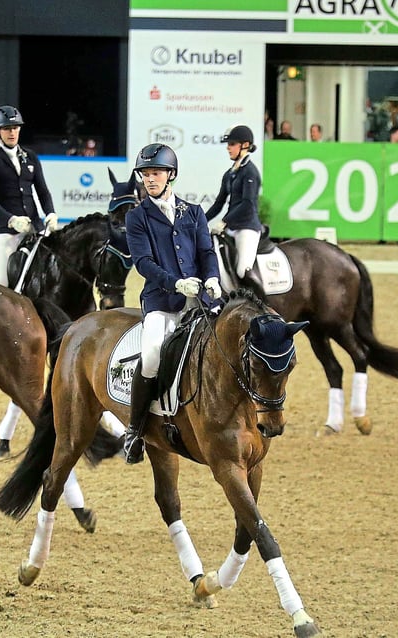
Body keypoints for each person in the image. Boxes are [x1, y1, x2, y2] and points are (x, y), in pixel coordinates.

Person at [121, 143, 221, 464]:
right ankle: (135, 430)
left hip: (199, 300)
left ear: (170, 175)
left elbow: (206, 252)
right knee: (151, 357)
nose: (150, 180)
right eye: (145, 174)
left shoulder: (193, 212)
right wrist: (175, 282)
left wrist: (213, 278)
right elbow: (143, 262)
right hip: (161, 300)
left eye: (156, 173)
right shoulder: (137, 217)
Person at [0, 104, 58, 287]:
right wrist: (11, 220)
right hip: (4, 232)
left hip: (35, 229)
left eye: (15, 128)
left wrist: (50, 213)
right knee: (2, 284)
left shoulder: (30, 157)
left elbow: (43, 191)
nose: (12, 132)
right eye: (6, 129)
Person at [204, 124, 266, 299]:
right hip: (231, 227)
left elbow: (247, 204)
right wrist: (200, 220)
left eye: (232, 144)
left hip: (247, 227)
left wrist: (225, 221)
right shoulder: (230, 173)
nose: (228, 148)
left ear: (244, 145)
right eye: (228, 144)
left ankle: (266, 307)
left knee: (242, 270)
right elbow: (219, 203)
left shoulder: (250, 172)